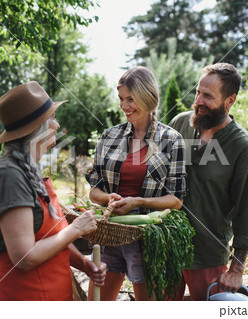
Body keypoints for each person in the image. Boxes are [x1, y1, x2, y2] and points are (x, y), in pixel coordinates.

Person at [0, 81, 106, 301]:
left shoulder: (28, 170)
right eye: (52, 119)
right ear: (35, 128)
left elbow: (53, 239)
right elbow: (25, 257)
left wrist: (84, 264)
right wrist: (75, 230)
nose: (57, 125)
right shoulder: (9, 176)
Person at [86, 66, 187, 300]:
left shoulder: (172, 140)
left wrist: (139, 202)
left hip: (146, 239)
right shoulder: (109, 137)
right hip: (110, 234)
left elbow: (176, 200)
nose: (124, 106)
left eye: (130, 99)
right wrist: (107, 198)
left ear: (147, 96)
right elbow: (94, 190)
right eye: (121, 99)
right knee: (95, 305)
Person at [168, 63, 248, 301]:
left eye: (208, 96)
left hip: (207, 255)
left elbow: (247, 211)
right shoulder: (180, 125)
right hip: (166, 246)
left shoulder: (242, 147)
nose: (198, 101)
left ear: (229, 101)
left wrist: (237, 269)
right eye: (198, 92)